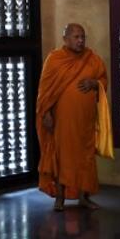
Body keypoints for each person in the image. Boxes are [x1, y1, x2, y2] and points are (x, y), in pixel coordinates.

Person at [35, 23, 110, 212]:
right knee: (62, 158)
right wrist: (46, 113)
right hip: (63, 122)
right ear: (65, 39)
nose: (81, 41)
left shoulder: (92, 59)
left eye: (83, 37)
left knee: (86, 158)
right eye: (76, 37)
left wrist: (94, 83)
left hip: (86, 121)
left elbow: (103, 80)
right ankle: (59, 198)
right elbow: (45, 91)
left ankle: (84, 197)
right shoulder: (55, 59)